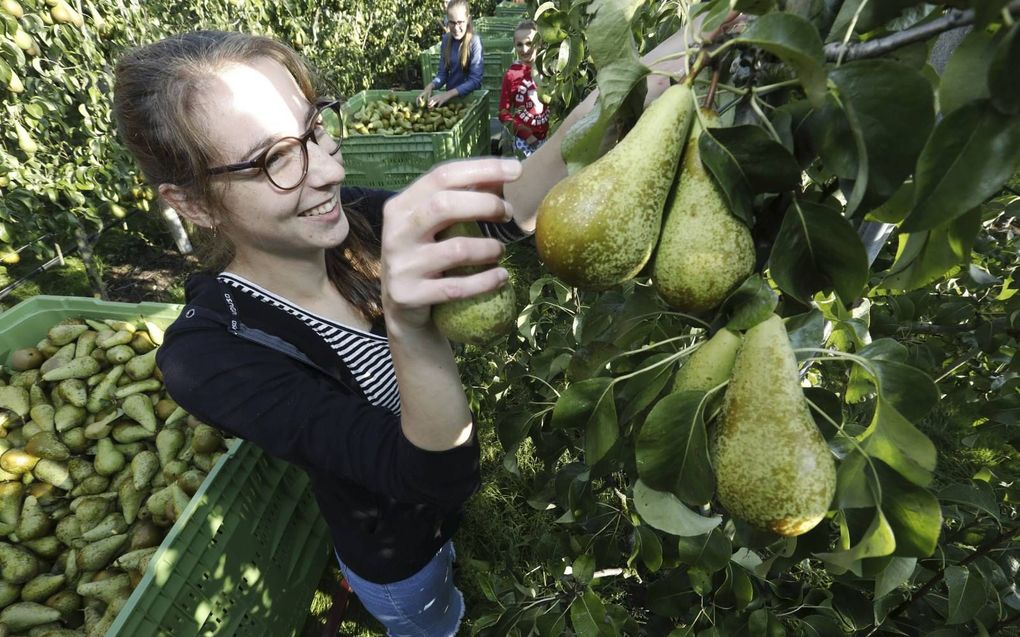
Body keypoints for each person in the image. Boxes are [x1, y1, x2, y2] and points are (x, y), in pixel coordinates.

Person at [111, 13, 728, 636]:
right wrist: (409, 328)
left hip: (438, 515)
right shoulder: (209, 356)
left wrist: (682, 54)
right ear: (189, 202)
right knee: (432, 616)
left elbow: (515, 205)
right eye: (275, 161)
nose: (328, 171)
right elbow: (437, 477)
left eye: (316, 131)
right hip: (393, 553)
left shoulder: (356, 220)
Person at [418, 0, 483, 108]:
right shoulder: (446, 40)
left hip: (471, 100)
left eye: (460, 22)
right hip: (451, 101)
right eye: (452, 22)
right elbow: (442, 74)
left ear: (468, 19)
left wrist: (447, 95)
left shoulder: (474, 42)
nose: (456, 28)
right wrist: (430, 86)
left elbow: (475, 81)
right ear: (447, 20)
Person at [499, 20, 549, 158]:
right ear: (514, 46)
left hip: (548, 136)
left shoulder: (547, 69)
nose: (525, 49)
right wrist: (526, 134)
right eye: (519, 45)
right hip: (524, 142)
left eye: (529, 43)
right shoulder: (512, 74)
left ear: (538, 43)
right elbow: (503, 112)